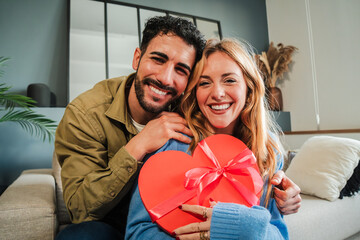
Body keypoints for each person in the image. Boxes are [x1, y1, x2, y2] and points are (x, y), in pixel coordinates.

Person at [55, 16, 300, 239]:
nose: (166, 78)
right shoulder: (88, 115)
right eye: (158, 59)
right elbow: (86, 210)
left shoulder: (263, 150)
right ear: (137, 58)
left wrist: (268, 200)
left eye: (181, 70)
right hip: (107, 224)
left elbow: (274, 231)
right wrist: (138, 145)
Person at [125, 38, 291, 240]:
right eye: (204, 83)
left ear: (249, 88)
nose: (218, 93)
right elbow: (136, 232)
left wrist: (243, 226)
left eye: (229, 80)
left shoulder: (267, 149)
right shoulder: (171, 142)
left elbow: (278, 233)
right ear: (194, 92)